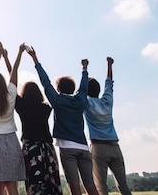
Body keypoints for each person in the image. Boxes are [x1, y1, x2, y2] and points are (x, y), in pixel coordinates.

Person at [30, 47, 98, 195]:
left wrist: (35, 60)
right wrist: (84, 69)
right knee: (91, 186)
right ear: (73, 89)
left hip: (68, 148)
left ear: (58, 89)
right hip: (84, 148)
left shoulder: (57, 101)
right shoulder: (80, 100)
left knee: (75, 188)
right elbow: (84, 88)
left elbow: (45, 82)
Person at [15, 48, 64, 195]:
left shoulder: (22, 106)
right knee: (52, 182)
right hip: (47, 148)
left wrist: (8, 57)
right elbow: (46, 83)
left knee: (34, 183)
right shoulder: (46, 108)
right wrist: (35, 58)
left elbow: (12, 84)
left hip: (30, 149)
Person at [0, 41, 26, 195]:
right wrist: (19, 53)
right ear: (2, 83)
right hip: (11, 140)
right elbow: (14, 72)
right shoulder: (10, 94)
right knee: (12, 185)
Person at [85, 57, 132, 195]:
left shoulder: (87, 103)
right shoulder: (107, 101)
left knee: (101, 188)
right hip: (115, 147)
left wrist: (85, 69)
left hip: (99, 148)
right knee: (124, 187)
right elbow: (109, 84)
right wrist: (109, 65)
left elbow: (83, 90)